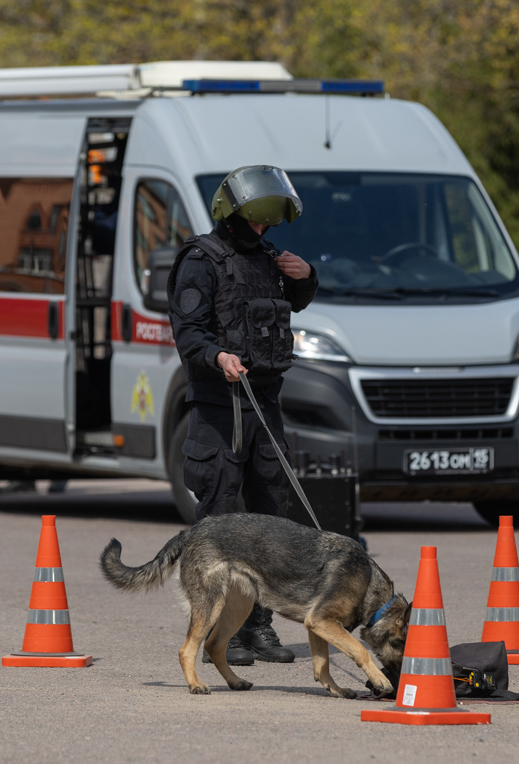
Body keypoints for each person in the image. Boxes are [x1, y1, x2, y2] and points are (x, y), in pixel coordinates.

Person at [166, 165, 317, 667]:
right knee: (221, 521)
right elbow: (189, 334)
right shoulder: (200, 260)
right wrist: (217, 357)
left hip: (265, 402)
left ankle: (259, 629)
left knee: (272, 517)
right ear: (231, 214)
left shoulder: (272, 259)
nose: (261, 230)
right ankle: (214, 635)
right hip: (219, 408)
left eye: (267, 222)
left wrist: (307, 277)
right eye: (253, 220)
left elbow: (289, 306)